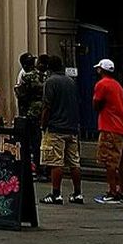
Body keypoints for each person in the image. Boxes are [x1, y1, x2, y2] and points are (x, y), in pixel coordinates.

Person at [39, 53, 84, 205]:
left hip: (56, 126)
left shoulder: (50, 82)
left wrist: (43, 124)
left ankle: (56, 193)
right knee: (74, 162)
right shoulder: (70, 81)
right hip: (71, 127)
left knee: (56, 161)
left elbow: (47, 106)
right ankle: (78, 193)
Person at [92, 58, 123, 204]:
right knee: (121, 162)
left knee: (110, 161)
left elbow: (96, 103)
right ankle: (122, 190)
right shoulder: (117, 85)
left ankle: (112, 191)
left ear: (101, 70)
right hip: (122, 127)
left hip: (109, 127)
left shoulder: (102, 84)